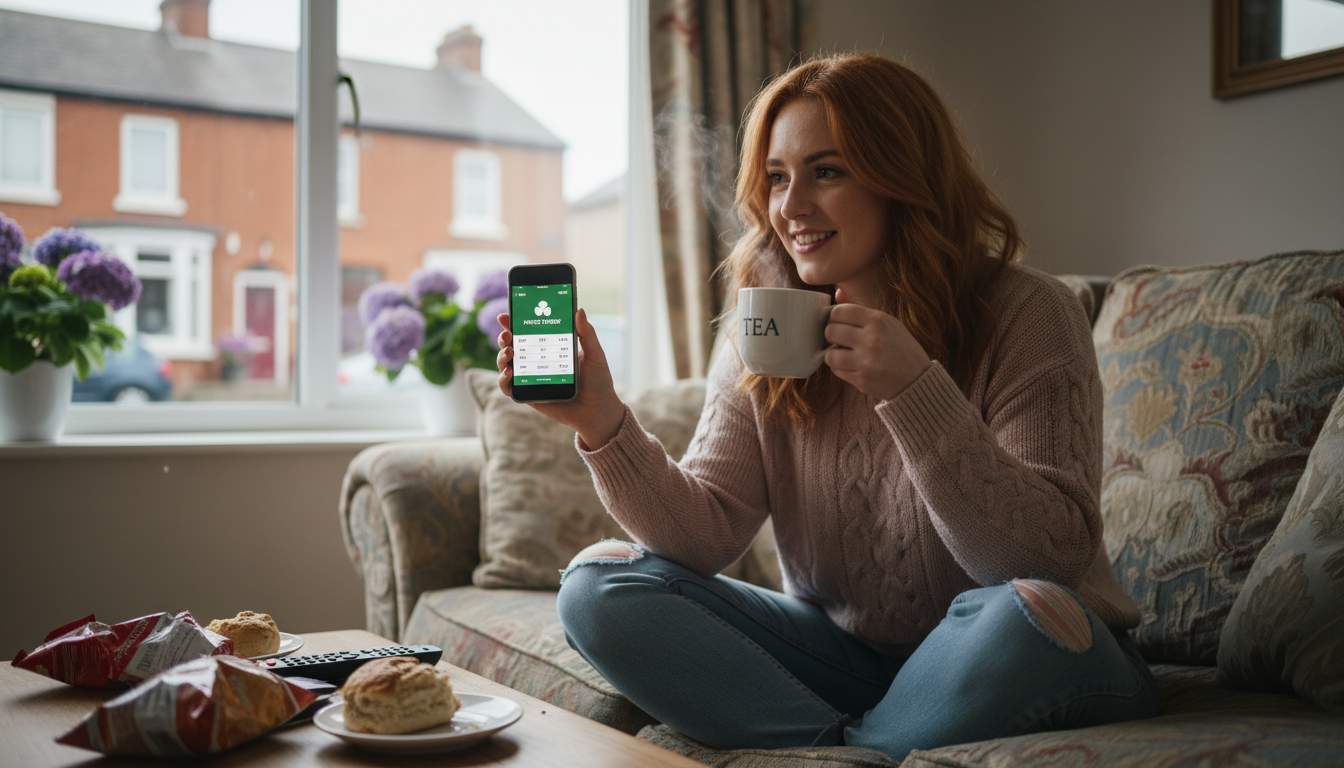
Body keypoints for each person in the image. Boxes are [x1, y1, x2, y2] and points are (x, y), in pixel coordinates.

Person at [493, 53, 1157, 761]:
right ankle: (851, 750)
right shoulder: (769, 319)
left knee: (1019, 614)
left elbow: (1042, 558)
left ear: (904, 178)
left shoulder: (1028, 312)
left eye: (827, 171)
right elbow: (704, 534)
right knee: (597, 587)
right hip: (845, 656)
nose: (791, 206)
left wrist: (913, 392)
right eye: (777, 177)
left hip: (1027, 644)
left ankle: (845, 747)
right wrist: (602, 424)